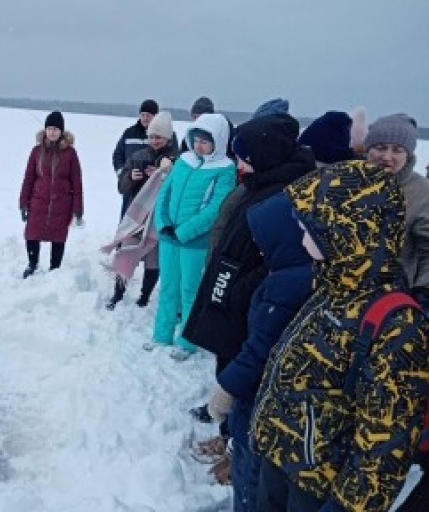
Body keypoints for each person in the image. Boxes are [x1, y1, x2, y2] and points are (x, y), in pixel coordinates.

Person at [251, 160, 429, 512]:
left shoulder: (397, 323)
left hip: (321, 487)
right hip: (282, 458)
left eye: (312, 230)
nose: (302, 239)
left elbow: (384, 444)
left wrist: (347, 506)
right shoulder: (331, 287)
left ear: (349, 234)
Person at [184, 112, 315, 472]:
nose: (238, 163)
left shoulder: (284, 193)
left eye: (244, 156)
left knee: (246, 381)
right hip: (232, 295)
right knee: (228, 364)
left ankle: (237, 452)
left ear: (264, 155)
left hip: (249, 304)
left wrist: (242, 289)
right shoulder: (258, 184)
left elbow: (282, 260)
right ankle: (228, 436)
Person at [206, 191, 313, 511]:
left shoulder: (287, 285)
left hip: (258, 406)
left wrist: (227, 388)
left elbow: (261, 349)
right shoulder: (291, 274)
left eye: (262, 239)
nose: (259, 247)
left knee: (250, 483)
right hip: (263, 406)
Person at [151, 113, 236, 355]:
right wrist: (163, 223)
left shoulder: (224, 169)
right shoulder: (184, 160)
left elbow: (215, 209)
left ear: (217, 142)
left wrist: (186, 232)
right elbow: (164, 194)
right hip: (169, 237)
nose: (198, 145)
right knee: (168, 286)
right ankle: (162, 334)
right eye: (196, 139)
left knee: (190, 290)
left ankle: (187, 341)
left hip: (194, 242)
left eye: (205, 141)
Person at [105, 111, 178, 310]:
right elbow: (122, 188)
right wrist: (131, 178)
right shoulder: (138, 157)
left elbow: (178, 190)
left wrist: (162, 177)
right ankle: (117, 294)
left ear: (167, 138)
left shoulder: (176, 161)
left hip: (159, 219)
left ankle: (144, 297)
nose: (154, 141)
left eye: (159, 137)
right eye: (152, 136)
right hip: (137, 217)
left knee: (153, 261)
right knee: (126, 252)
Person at [364, 114, 429, 312]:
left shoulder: (421, 192)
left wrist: (423, 291)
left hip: (391, 300)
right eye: (380, 147)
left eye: (397, 150)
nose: (387, 156)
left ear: (408, 155)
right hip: (340, 294)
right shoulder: (348, 182)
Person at [19, 110, 83, 278]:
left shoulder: (70, 153)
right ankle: (32, 264)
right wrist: (23, 202)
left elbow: (77, 182)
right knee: (32, 234)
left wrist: (78, 208)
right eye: (49, 128)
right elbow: (29, 178)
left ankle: (55, 269)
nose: (52, 132)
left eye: (56, 129)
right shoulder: (36, 151)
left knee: (58, 237)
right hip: (38, 201)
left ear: (61, 131)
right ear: (45, 130)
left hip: (62, 204)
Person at [112, 99, 178, 218]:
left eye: (148, 115)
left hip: (159, 206)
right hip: (134, 195)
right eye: (142, 115)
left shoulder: (172, 146)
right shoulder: (129, 133)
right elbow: (118, 155)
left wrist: (160, 175)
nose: (145, 118)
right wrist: (126, 175)